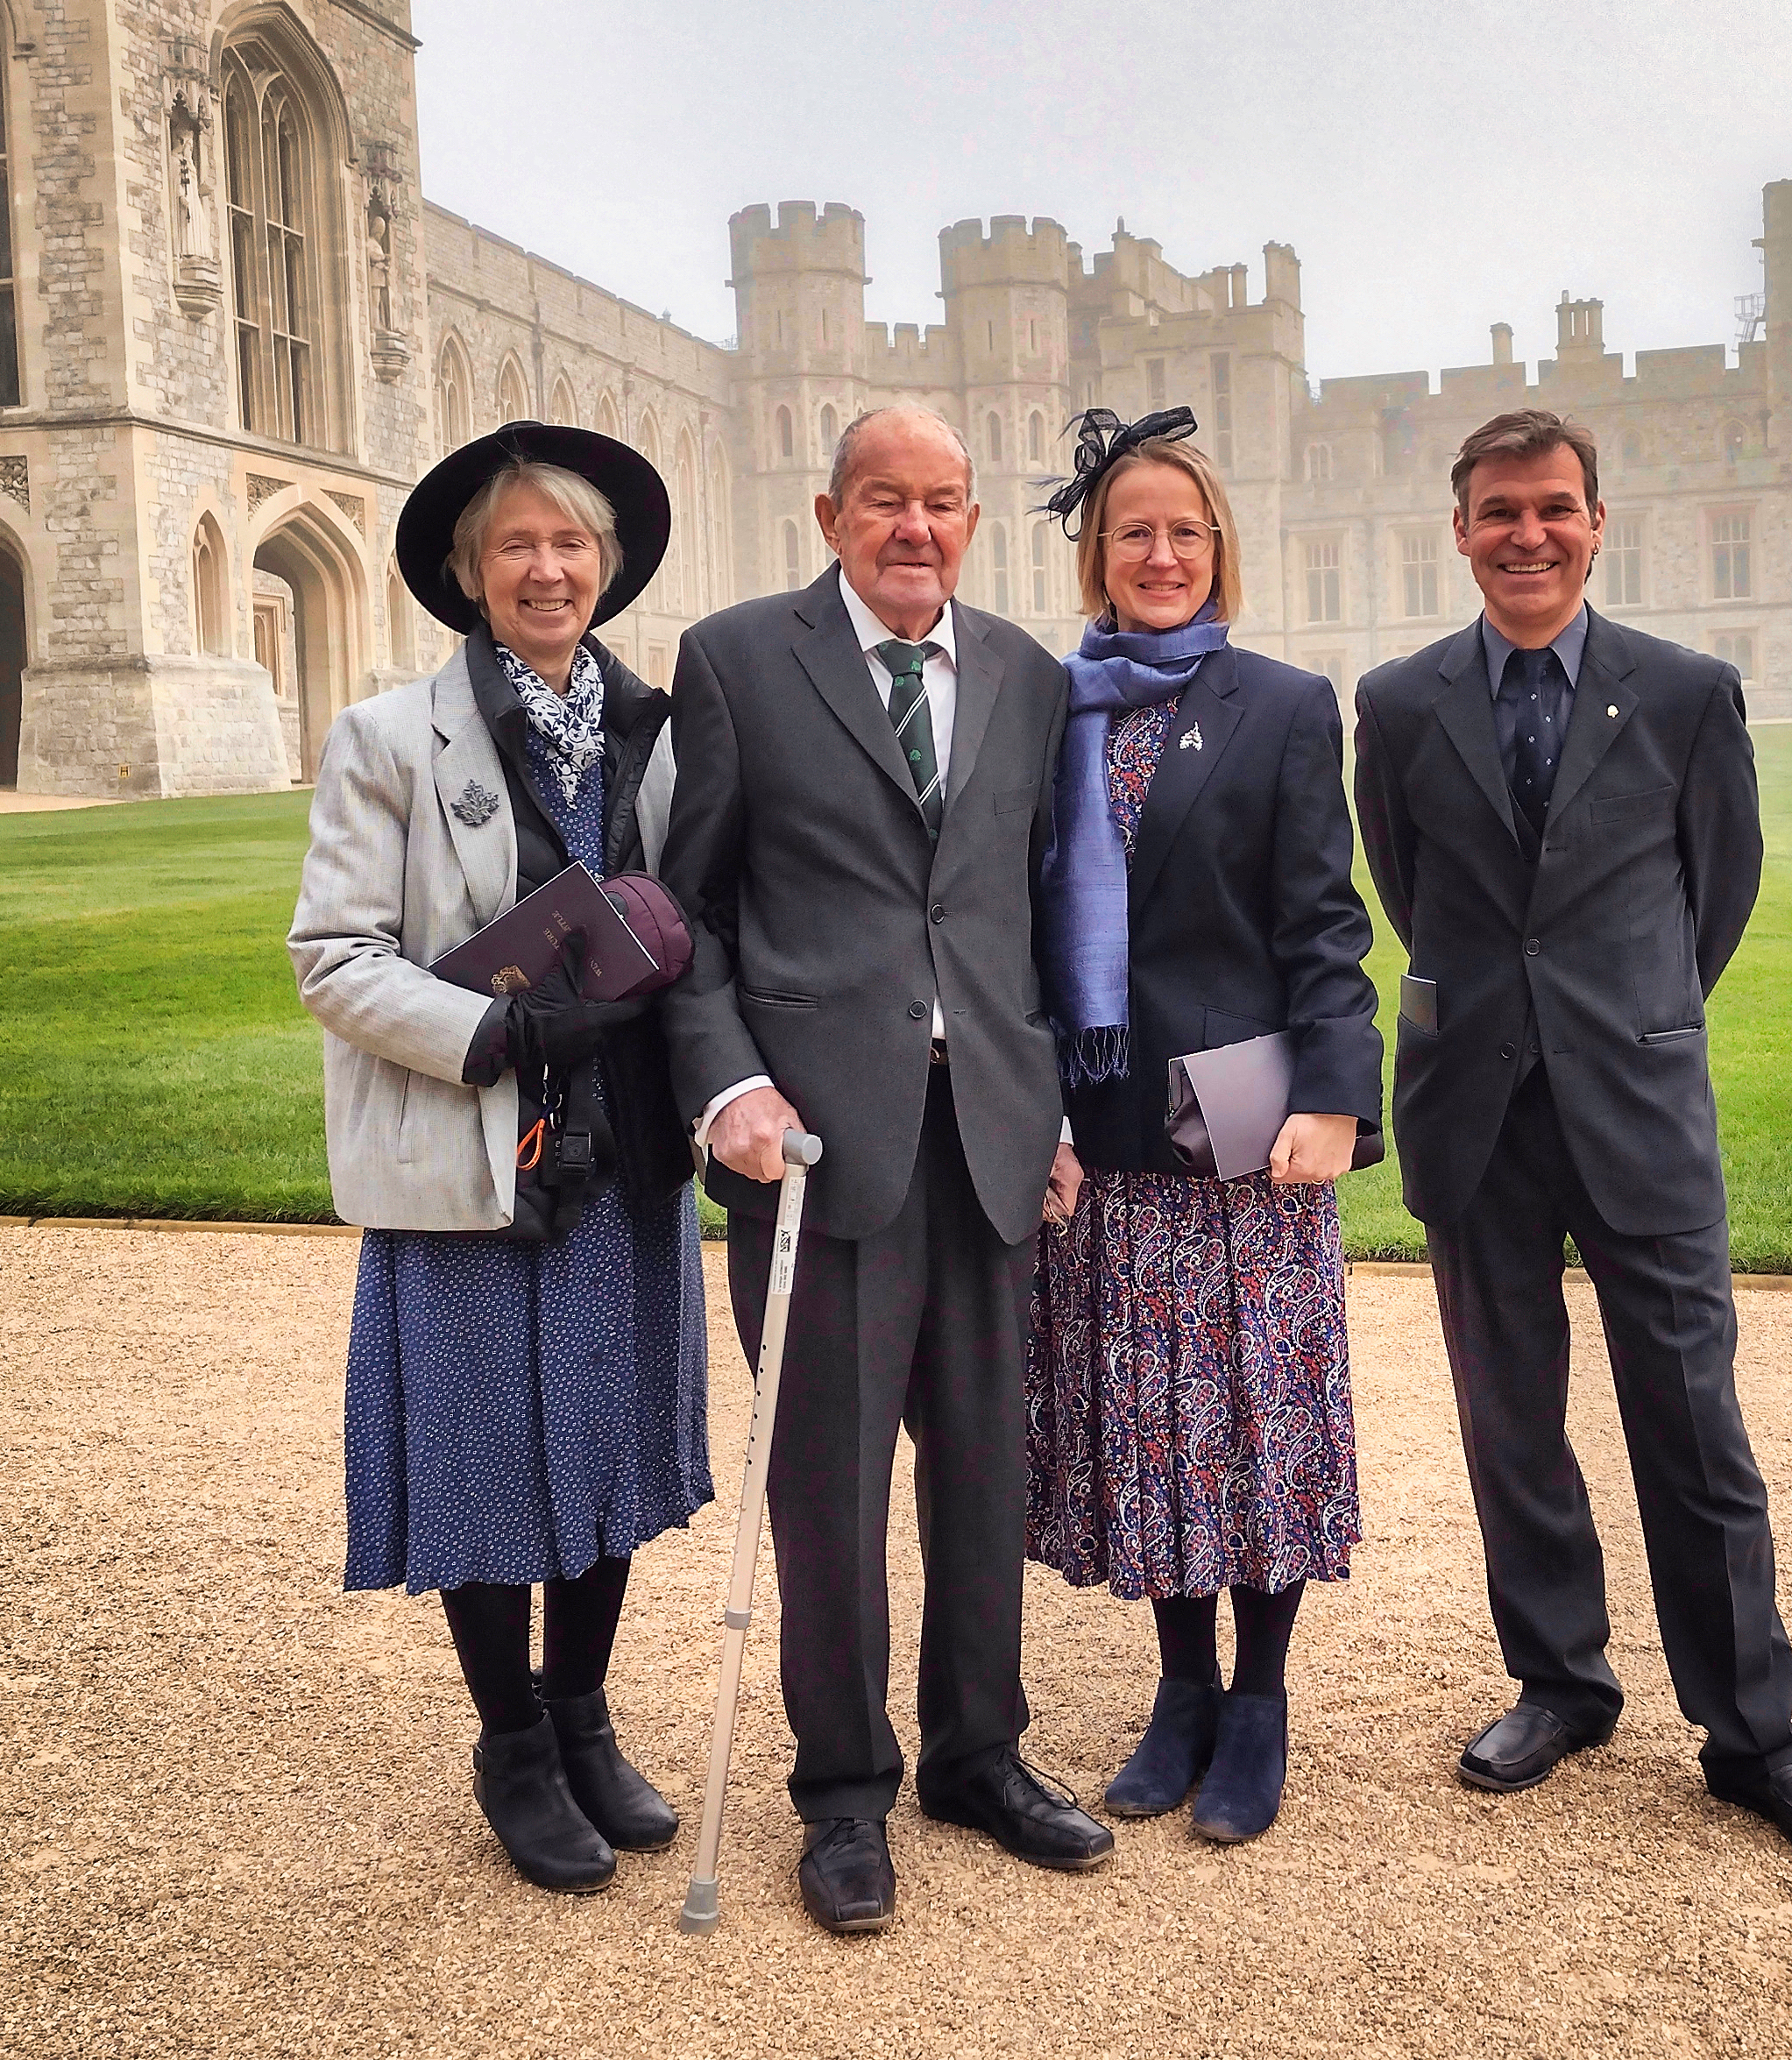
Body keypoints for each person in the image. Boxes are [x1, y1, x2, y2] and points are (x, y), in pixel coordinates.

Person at [1349, 407, 1792, 1859]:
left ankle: (1755, 1734)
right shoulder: (1397, 705)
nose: (1528, 535)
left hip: (1636, 1104)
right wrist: (1520, 1022)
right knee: (1510, 1422)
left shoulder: (1684, 693)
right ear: (1458, 529)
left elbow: (1716, 898)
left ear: (1599, 522)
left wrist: (1621, 1022)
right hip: (1478, 1111)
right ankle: (1561, 1682)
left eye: (1554, 509)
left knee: (1694, 1424)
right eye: (1498, 512)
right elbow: (1415, 899)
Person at [659, 405, 1112, 1936]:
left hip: (985, 1136)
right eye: (883, 502)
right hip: (813, 1153)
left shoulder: (1029, 676)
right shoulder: (733, 661)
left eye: (941, 503)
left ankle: (980, 1754)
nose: (913, 528)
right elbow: (692, 914)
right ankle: (843, 1792)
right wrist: (728, 1082)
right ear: (828, 512)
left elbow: (1034, 921)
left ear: (974, 518)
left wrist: (1046, 1115)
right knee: (831, 1497)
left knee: (985, 1476)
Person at [287, 421, 711, 1896]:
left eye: (571, 544)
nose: (548, 567)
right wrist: (494, 1035)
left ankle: (585, 1719)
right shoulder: (388, 738)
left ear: (605, 568)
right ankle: (513, 1748)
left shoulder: (659, 733)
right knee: (483, 1460)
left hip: (623, 1153)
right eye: (517, 544)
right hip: (477, 1155)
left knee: (604, 1443)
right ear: (471, 575)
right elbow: (334, 957)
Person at [1023, 408, 1381, 1844]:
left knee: (1254, 1422)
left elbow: (1323, 923)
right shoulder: (1046, 706)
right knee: (1148, 1431)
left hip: (1241, 1132)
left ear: (1219, 547)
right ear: (1097, 557)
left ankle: (1262, 1699)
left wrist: (1335, 1099)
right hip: (1102, 1124)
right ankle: (1179, 1688)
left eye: (1185, 531)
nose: (1160, 554)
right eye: (1133, 533)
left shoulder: (1284, 704)